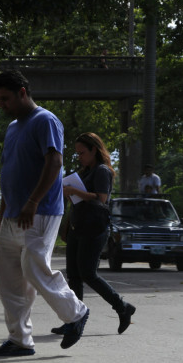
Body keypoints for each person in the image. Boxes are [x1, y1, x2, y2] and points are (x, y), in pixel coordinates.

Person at [0, 70, 89, 357]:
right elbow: (10, 169)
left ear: (22, 92)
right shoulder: (12, 128)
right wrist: (6, 207)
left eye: (5, 99)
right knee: (8, 277)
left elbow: (54, 162)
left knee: (34, 267)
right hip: (13, 213)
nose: (1, 105)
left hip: (40, 210)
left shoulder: (46, 120)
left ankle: (76, 313)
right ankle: (19, 339)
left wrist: (32, 202)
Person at [57, 132, 136, 336]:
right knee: (73, 275)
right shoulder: (83, 171)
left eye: (82, 152)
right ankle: (74, 319)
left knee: (88, 274)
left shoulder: (102, 171)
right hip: (78, 226)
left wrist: (74, 191)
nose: (80, 156)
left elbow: (101, 198)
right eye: (77, 153)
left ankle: (122, 307)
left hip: (95, 228)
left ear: (94, 150)